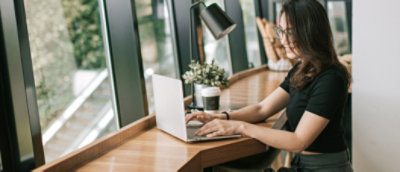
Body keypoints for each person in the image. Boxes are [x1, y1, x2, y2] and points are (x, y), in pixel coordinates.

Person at [185, 0, 353, 171]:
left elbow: (298, 141)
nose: (283, 40)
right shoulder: (302, 69)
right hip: (302, 165)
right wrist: (222, 118)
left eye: (290, 32)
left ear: (310, 31)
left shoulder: (331, 78)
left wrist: (239, 127)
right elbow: (262, 109)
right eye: (281, 31)